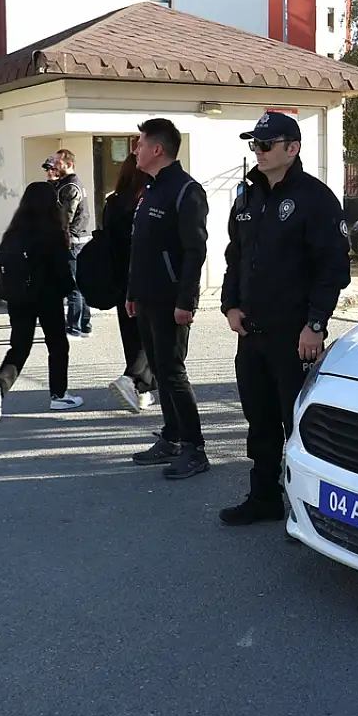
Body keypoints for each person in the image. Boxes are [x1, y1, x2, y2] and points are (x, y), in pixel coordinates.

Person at [218, 111, 351, 526]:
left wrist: (315, 324)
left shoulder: (315, 198)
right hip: (251, 331)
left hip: (293, 335)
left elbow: (333, 269)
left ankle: (307, 511)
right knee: (259, 422)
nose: (257, 151)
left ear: (291, 149)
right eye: (253, 144)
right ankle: (264, 497)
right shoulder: (248, 196)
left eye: (265, 144)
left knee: (298, 425)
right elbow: (234, 256)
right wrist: (229, 304)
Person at [125, 118, 211, 480]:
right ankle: (171, 437)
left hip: (170, 302)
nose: (135, 151)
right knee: (159, 370)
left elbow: (195, 250)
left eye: (140, 144)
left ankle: (195, 449)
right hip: (145, 298)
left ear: (157, 149)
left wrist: (185, 301)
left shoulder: (186, 191)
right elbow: (140, 246)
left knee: (174, 373)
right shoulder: (150, 188)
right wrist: (132, 292)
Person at [0, 181, 85, 421]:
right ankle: (59, 396)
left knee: (19, 346)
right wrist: (69, 289)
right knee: (58, 345)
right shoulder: (53, 231)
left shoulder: (13, 232)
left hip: (17, 297)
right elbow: (62, 270)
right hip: (46, 296)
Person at [104, 152, 159, 414]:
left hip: (118, 278)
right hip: (145, 277)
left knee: (131, 335)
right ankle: (132, 379)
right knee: (151, 337)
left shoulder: (112, 203)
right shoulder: (145, 202)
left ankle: (140, 391)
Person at [51, 149, 94, 338]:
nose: (54, 166)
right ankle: (85, 326)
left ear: (69, 164)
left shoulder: (70, 186)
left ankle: (74, 328)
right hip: (78, 239)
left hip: (73, 241)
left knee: (74, 286)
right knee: (80, 284)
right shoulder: (69, 184)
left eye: (58, 163)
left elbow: (65, 218)